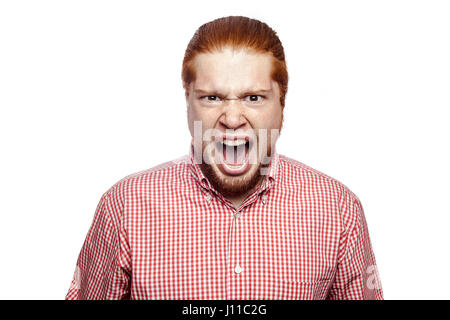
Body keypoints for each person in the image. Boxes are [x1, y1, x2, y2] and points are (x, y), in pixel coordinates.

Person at [66, 16, 383, 300]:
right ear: (188, 102)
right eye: (212, 97)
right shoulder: (126, 206)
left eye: (254, 97)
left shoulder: (338, 210)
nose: (232, 118)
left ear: (282, 105)